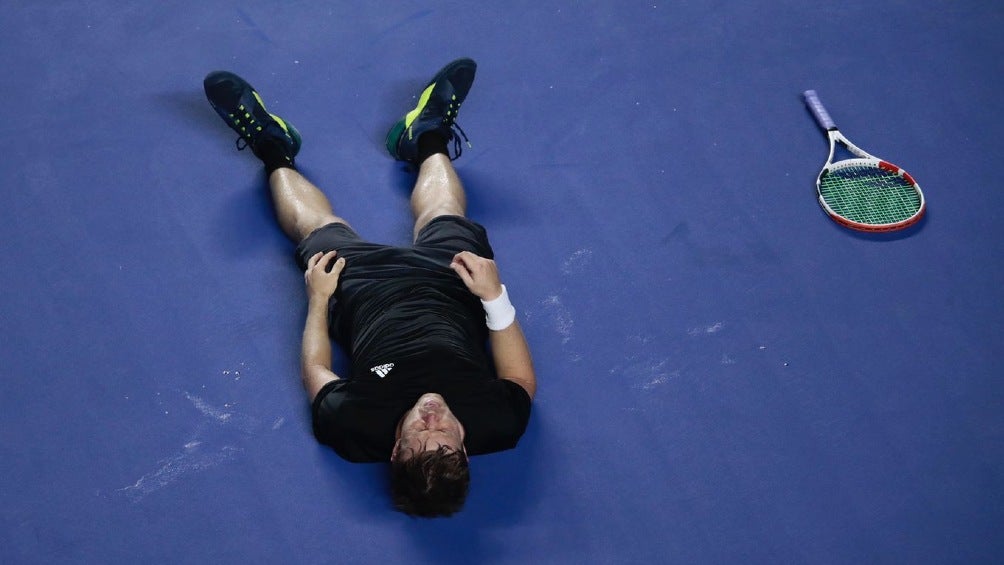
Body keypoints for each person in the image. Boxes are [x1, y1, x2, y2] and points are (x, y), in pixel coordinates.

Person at [203, 58, 536, 517]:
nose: (432, 415)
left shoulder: (354, 425)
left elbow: (316, 370)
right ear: (464, 449)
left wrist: (319, 300)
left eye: (419, 432)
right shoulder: (499, 423)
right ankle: (426, 135)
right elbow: (520, 379)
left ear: (395, 451)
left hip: (364, 291)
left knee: (316, 228)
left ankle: (272, 146)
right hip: (453, 286)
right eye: (444, 433)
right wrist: (495, 297)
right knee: (444, 212)